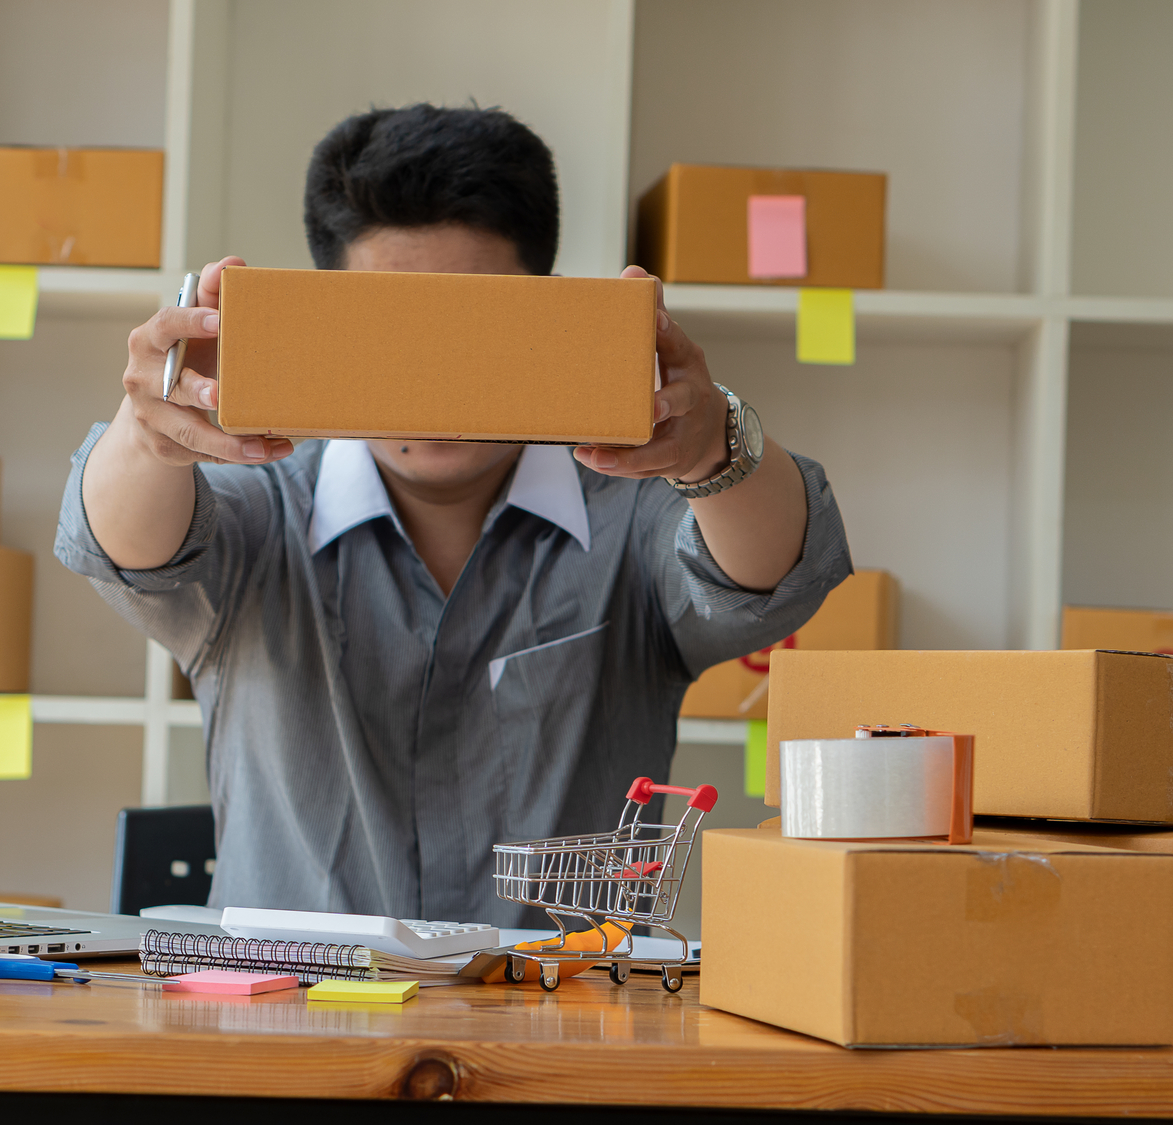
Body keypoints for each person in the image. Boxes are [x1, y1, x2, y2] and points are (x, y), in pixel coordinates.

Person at [56, 104, 850, 925]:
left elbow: (771, 573)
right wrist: (149, 435)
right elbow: (127, 549)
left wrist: (714, 451)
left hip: (567, 1033)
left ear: (539, 306)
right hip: (286, 1028)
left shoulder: (634, 504)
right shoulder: (258, 495)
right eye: (393, 327)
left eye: (467, 326)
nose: (429, 378)